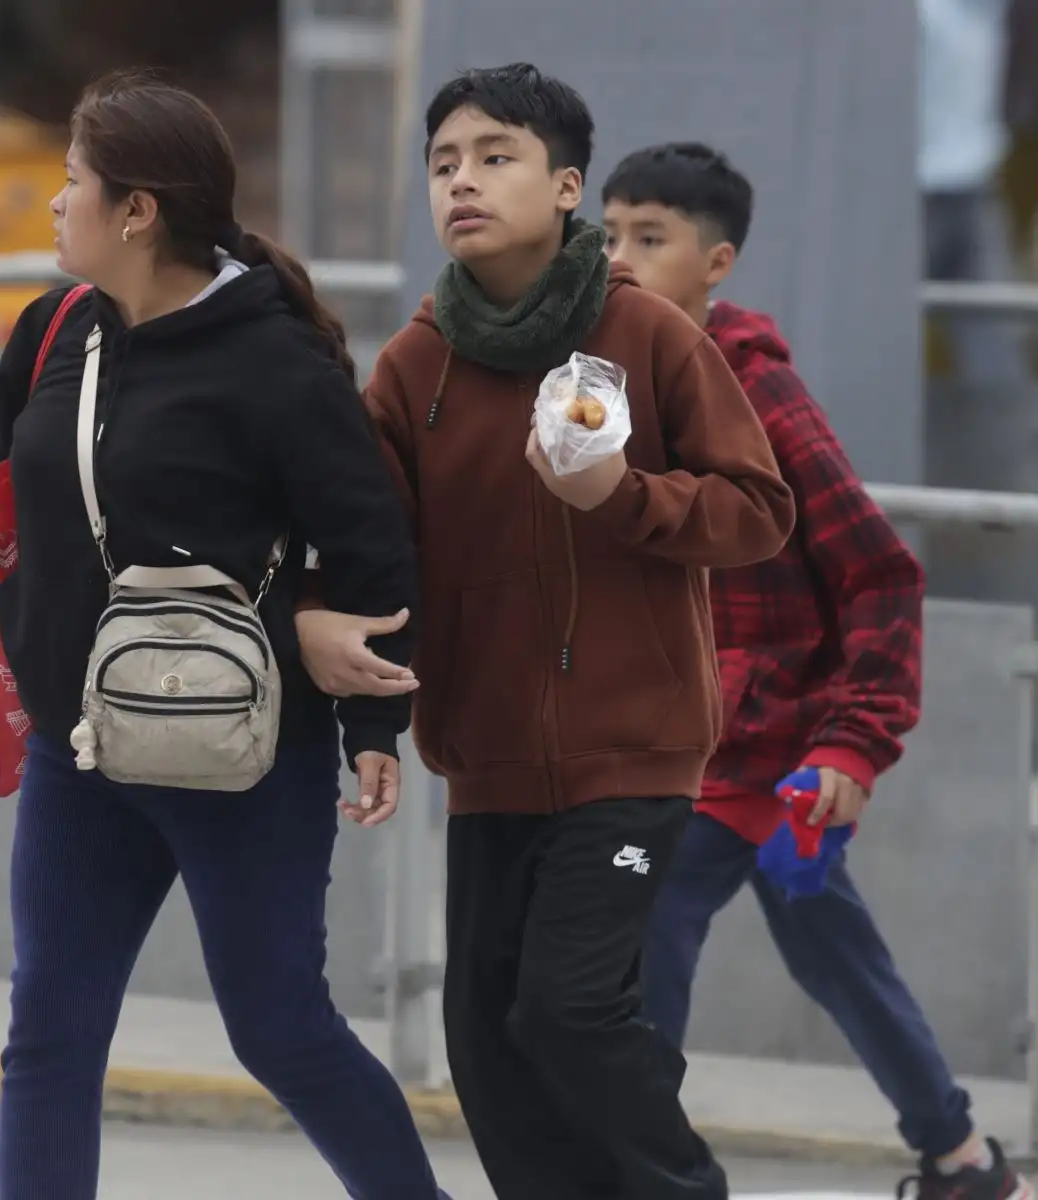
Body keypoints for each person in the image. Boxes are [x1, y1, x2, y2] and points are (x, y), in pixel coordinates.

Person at [0, 71, 448, 1200]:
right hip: (80, 749)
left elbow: (373, 552)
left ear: (139, 210)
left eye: (74, 184)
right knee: (48, 1036)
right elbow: (6, 531)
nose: (57, 204)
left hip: (242, 757)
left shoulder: (274, 361)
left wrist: (375, 724)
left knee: (280, 1030)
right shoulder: (54, 331)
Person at [300, 64, 795, 1200]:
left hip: (634, 757)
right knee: (486, 1042)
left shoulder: (650, 334)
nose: (462, 183)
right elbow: (369, 547)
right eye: (442, 164)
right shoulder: (415, 363)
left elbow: (760, 513)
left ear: (567, 187)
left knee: (569, 1009)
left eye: (494, 157)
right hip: (489, 766)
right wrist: (317, 619)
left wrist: (620, 496)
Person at [600, 140, 1034, 1200]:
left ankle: (641, 1169)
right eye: (605, 236)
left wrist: (851, 739)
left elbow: (882, 576)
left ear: (718, 262)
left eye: (649, 239)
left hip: (758, 758)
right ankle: (964, 1161)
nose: (617, 261)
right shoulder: (604, 386)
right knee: (836, 954)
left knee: (642, 922)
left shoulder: (759, 401)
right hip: (687, 741)